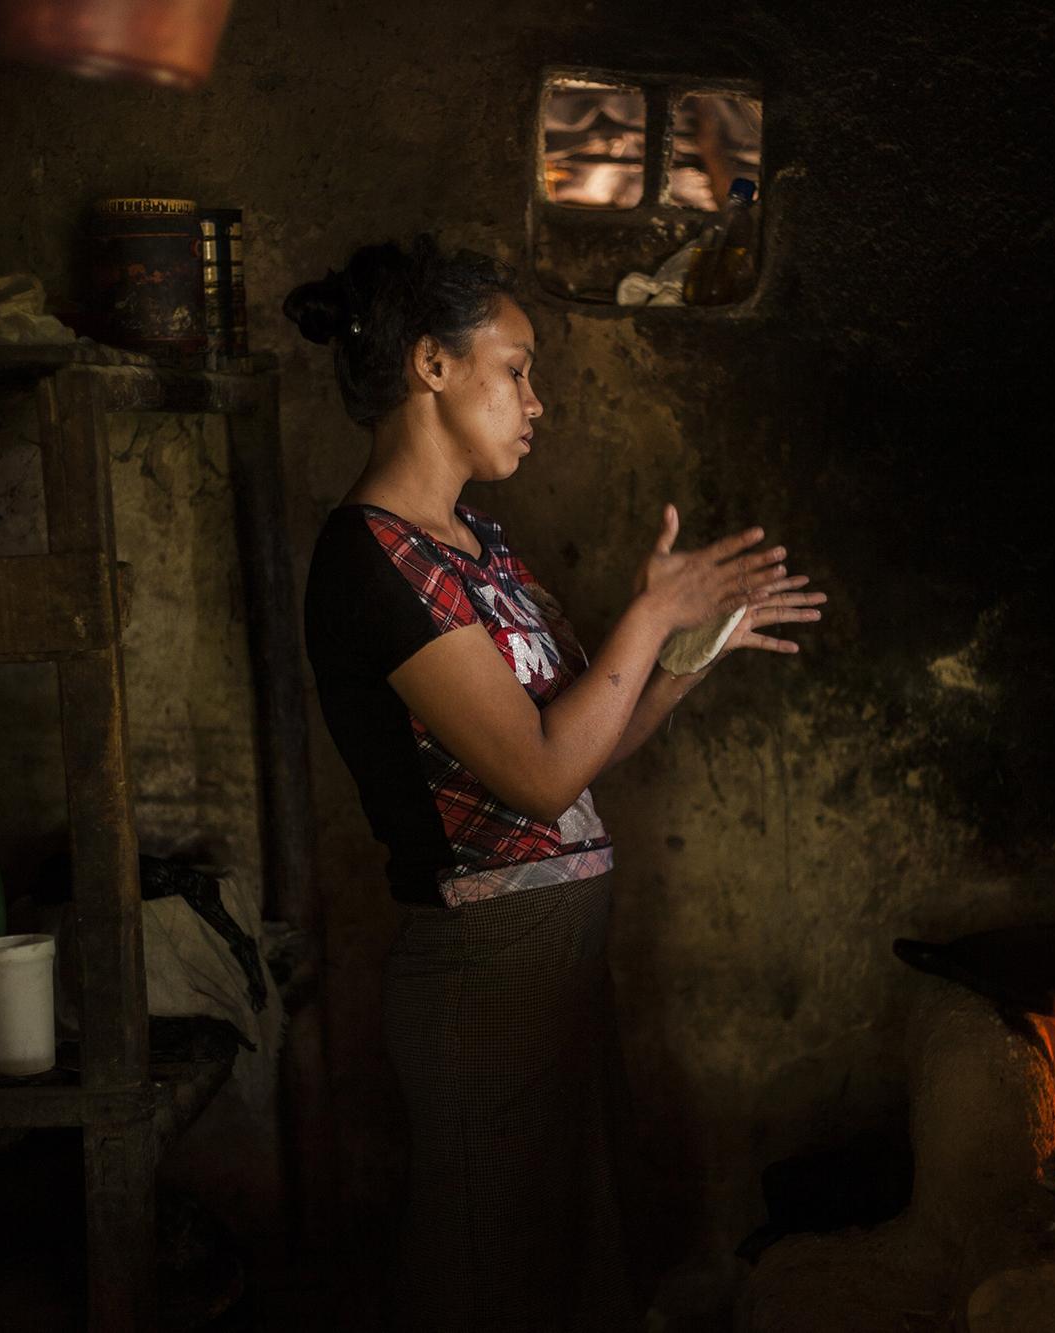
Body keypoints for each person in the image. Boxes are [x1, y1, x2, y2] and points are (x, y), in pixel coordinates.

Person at [286, 235, 825, 1332]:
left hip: (553, 962)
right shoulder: (370, 560)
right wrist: (645, 616)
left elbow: (584, 747)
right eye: (517, 367)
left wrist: (685, 655)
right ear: (430, 365)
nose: (538, 400)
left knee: (565, 1271)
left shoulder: (477, 544)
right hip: (481, 973)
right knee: (486, 1275)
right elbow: (535, 779)